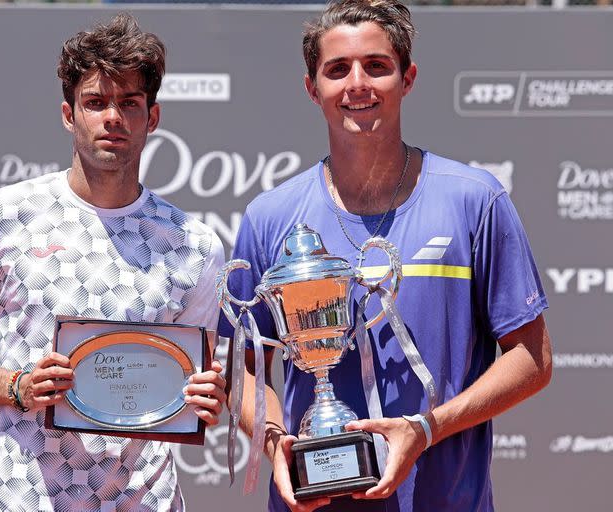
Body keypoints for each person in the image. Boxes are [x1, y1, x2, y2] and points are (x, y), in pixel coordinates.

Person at [220, 1, 552, 511]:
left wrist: (425, 428)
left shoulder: (475, 199)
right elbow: (240, 367)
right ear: (312, 88)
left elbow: (532, 360)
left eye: (376, 66)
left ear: (408, 78)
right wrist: (276, 443)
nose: (357, 84)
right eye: (337, 70)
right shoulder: (271, 216)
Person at [0, 13, 227, 512]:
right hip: (20, 499)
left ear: (153, 117)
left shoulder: (196, 245)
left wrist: (207, 397)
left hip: (145, 502)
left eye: (129, 103)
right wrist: (15, 385)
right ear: (68, 114)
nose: (113, 118)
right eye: (96, 102)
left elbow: (191, 385)